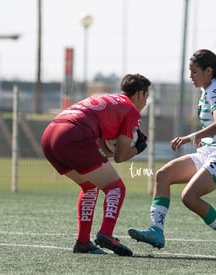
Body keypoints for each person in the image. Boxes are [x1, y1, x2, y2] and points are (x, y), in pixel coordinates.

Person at [128, 49, 216, 261]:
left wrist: (190, 137)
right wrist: (208, 135)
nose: (190, 76)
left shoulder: (215, 89)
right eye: (189, 72)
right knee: (163, 176)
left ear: (209, 71)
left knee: (189, 197)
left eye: (194, 72)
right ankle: (156, 231)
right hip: (211, 150)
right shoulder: (209, 88)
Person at [41, 73, 150, 256]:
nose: (145, 103)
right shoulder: (131, 109)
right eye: (146, 97)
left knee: (89, 186)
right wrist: (139, 148)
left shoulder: (105, 99)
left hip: (50, 135)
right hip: (73, 135)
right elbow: (120, 156)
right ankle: (106, 233)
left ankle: (83, 242)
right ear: (140, 94)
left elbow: (100, 149)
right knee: (116, 187)